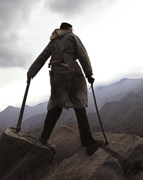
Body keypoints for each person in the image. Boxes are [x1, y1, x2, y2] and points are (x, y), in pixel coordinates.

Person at [27, 22, 103, 156]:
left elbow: (43, 56)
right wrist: (89, 74)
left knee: (56, 105)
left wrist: (31, 72)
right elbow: (82, 55)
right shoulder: (72, 37)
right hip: (72, 73)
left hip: (56, 75)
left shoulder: (54, 41)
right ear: (68, 29)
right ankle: (89, 144)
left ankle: (43, 139)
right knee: (79, 105)